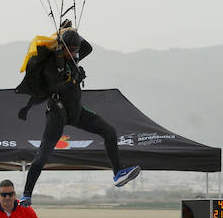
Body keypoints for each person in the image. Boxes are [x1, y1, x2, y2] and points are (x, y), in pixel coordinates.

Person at [14, 20, 139, 205]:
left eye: (75, 50)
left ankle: (118, 174)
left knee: (109, 131)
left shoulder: (74, 57)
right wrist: (74, 80)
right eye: (71, 50)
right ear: (64, 47)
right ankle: (26, 195)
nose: (74, 54)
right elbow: (54, 87)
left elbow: (87, 48)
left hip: (77, 112)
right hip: (57, 113)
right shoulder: (51, 62)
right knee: (43, 155)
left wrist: (71, 31)